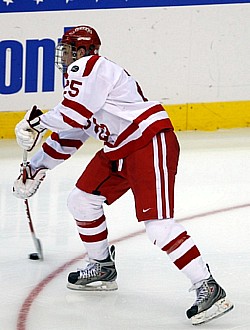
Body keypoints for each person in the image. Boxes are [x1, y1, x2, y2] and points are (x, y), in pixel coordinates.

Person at [13, 25, 233, 325]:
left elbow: (71, 115)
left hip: (148, 142)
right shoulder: (83, 83)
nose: (64, 57)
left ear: (80, 51)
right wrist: (36, 167)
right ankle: (102, 265)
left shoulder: (89, 67)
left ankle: (208, 287)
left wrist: (36, 122)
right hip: (120, 148)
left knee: (158, 226)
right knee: (81, 200)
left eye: (67, 50)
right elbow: (69, 135)